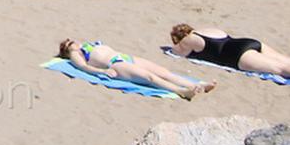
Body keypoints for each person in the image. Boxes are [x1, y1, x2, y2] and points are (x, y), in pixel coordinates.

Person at [57, 39, 215, 100]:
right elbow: (84, 67)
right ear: (67, 49)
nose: (73, 42)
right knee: (150, 78)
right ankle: (181, 91)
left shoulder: (88, 44)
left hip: (126, 57)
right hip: (115, 65)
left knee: (164, 72)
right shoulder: (75, 54)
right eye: (69, 43)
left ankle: (196, 85)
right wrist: (103, 72)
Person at [169, 24, 290, 82]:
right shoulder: (208, 29)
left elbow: (177, 52)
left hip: (237, 55)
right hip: (245, 42)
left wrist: (174, 45)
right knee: (289, 61)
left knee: (280, 69)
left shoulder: (188, 39)